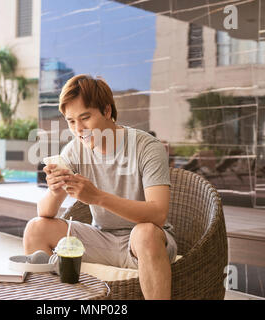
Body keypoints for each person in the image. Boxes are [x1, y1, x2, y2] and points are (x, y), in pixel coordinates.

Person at [23, 74, 177, 300]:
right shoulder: (75, 150)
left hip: (147, 241)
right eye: (71, 121)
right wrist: (55, 190)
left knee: (144, 233)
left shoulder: (147, 147)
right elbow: (45, 213)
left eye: (85, 118)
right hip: (102, 239)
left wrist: (97, 197)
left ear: (106, 111)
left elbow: (158, 214)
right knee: (36, 228)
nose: (78, 129)